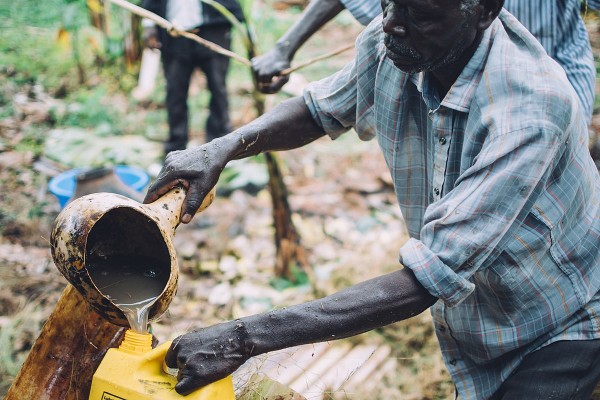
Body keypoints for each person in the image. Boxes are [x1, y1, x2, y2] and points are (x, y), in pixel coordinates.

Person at [145, 0, 600, 398]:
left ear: (485, 9)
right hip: (479, 314)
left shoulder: (530, 110)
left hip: (558, 315)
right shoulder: (398, 40)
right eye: (388, 3)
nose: (391, 24)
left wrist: (243, 339)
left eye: (419, 13)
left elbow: (428, 278)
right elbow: (319, 110)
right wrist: (221, 149)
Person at [252, 0, 599, 124]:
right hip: (455, 83)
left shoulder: (548, 103)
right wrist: (285, 47)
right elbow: (321, 111)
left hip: (557, 75)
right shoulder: (391, 37)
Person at [141, 0, 245, 154]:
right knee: (174, 93)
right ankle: (176, 151)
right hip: (174, 33)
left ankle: (221, 150)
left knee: (218, 89)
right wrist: (149, 23)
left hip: (213, 29)